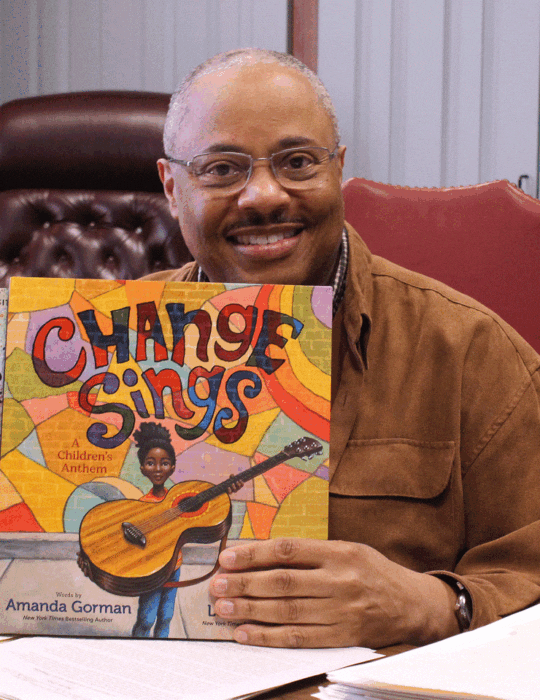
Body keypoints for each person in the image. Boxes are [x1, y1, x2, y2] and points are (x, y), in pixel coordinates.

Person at [144, 48, 540, 649]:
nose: (263, 195)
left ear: (339, 170)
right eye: (222, 169)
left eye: (297, 162)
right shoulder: (91, 345)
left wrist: (439, 604)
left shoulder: (472, 356)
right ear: (172, 189)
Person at [131, 422, 180, 638]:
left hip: (174, 566)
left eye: (164, 463)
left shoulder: (178, 500)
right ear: (142, 468)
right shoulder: (143, 503)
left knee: (167, 615)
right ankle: (137, 649)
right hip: (151, 569)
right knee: (146, 618)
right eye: (151, 463)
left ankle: (161, 650)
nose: (158, 469)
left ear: (172, 467)